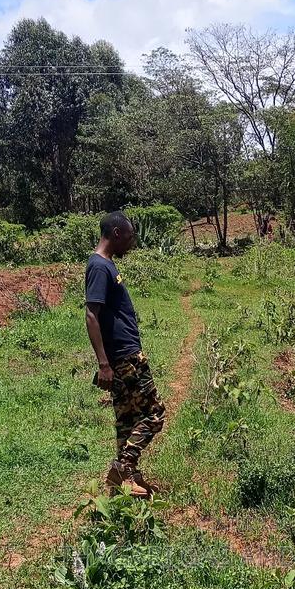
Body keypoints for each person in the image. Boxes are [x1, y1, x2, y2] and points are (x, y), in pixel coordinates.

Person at [85, 211, 165, 497]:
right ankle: (122, 467)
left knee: (127, 421)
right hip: (124, 357)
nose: (132, 242)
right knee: (155, 415)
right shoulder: (98, 267)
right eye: (130, 237)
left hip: (123, 355)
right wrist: (104, 364)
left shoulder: (107, 265)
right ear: (116, 234)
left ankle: (128, 482)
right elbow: (91, 315)